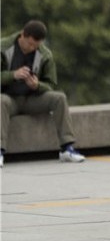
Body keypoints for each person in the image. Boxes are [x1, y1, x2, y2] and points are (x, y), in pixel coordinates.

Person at [1, 20, 85, 167]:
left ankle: (67, 148)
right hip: (9, 99)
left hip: (32, 99)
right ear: (22, 35)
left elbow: (51, 85)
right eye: (29, 44)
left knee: (59, 98)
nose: (32, 48)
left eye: (36, 45)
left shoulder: (45, 55)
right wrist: (13, 75)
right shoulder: (3, 48)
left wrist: (37, 85)